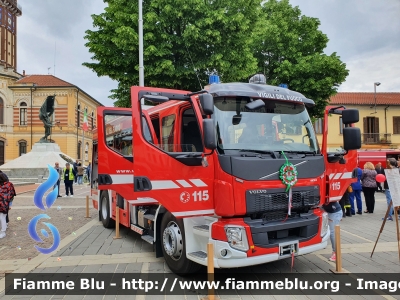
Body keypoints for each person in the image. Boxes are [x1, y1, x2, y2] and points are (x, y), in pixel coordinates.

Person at [0, 173, 16, 238]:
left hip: (4, 205)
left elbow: (12, 195)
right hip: (3, 204)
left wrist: (10, 204)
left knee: (2, 217)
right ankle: (3, 229)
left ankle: (3, 232)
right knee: (2, 218)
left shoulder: (9, 185)